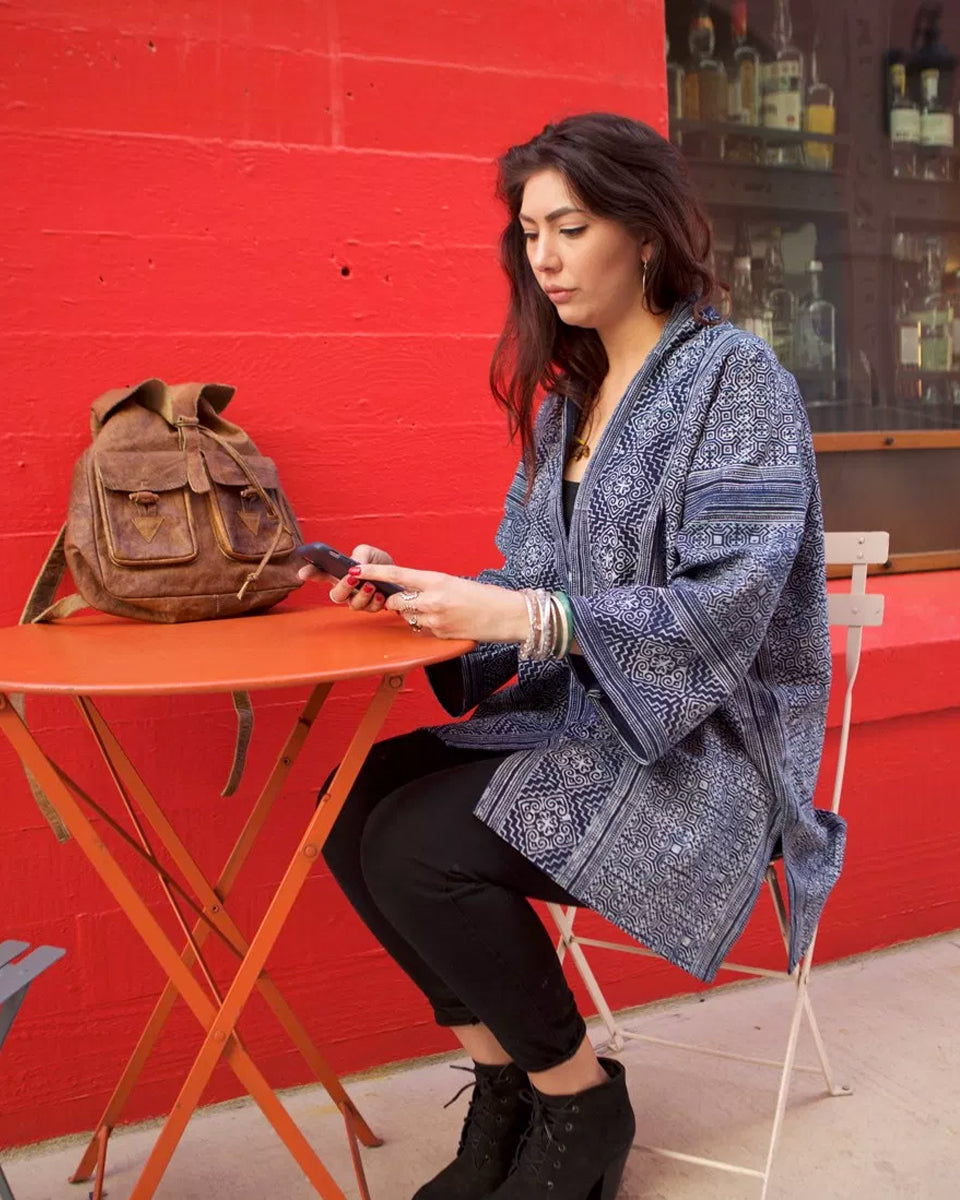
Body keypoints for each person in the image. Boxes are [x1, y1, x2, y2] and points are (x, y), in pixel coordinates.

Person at [299, 112, 841, 1200]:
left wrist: (525, 622)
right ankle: (509, 1087)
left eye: (571, 225)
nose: (543, 255)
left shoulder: (737, 381)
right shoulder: (572, 400)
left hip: (704, 760)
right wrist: (427, 595)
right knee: (351, 802)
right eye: (529, 231)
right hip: (585, 729)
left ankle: (580, 1102)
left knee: (417, 844)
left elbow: (726, 606)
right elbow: (532, 582)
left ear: (643, 233)